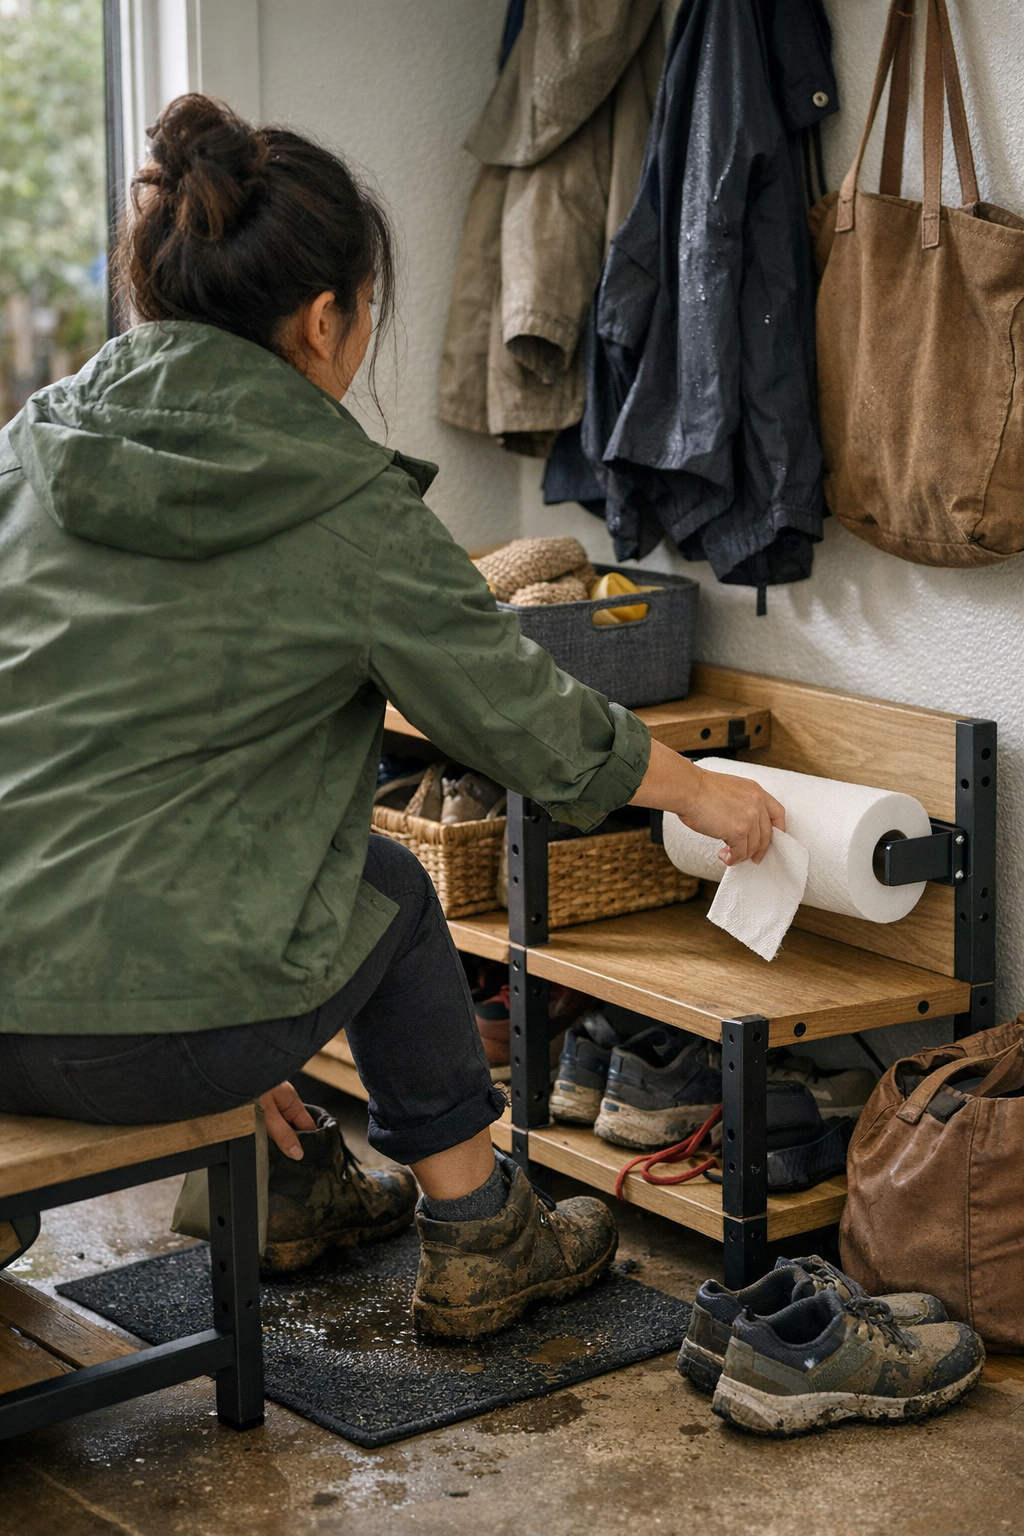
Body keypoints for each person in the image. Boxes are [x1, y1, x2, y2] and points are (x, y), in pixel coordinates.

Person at [0, 95, 784, 1337]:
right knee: (393, 888)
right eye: (367, 314)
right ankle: (483, 1238)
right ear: (324, 320)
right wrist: (702, 791)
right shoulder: (347, 509)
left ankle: (287, 1187)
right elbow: (517, 709)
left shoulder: (28, 456)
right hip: (165, 1033)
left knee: (245, 878)